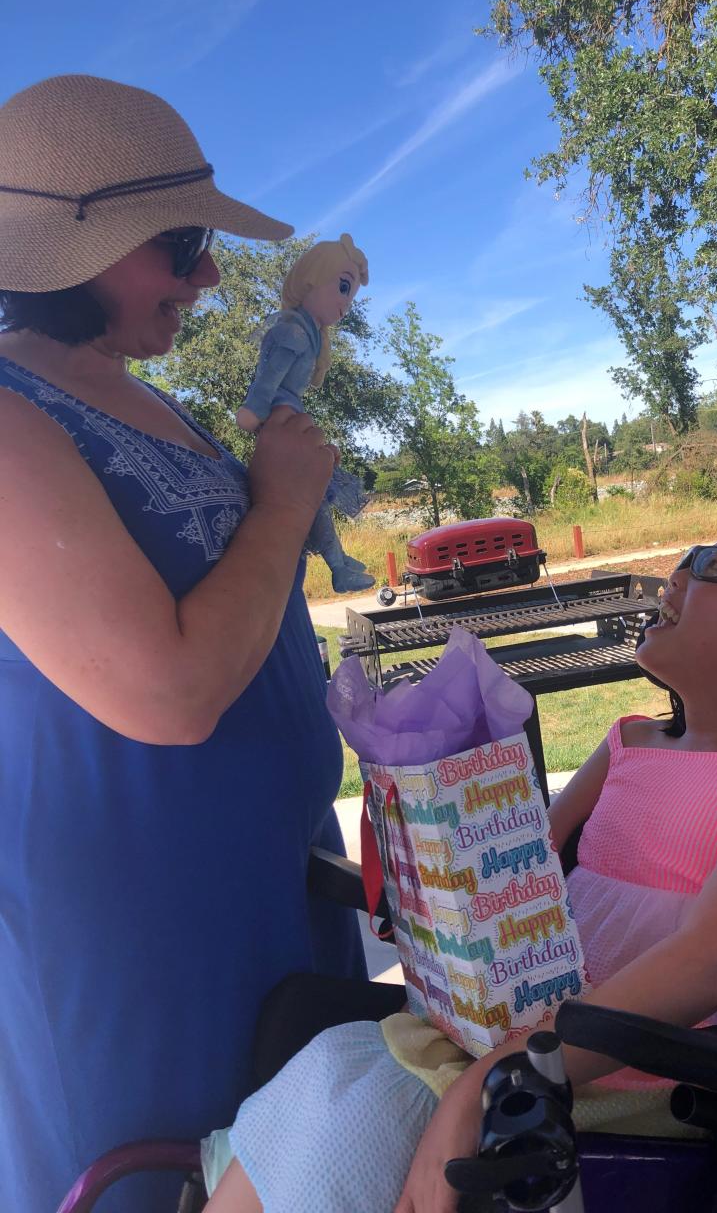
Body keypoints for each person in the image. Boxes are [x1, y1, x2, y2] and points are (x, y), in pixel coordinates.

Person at [203, 525, 717, 1213]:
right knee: (328, 1069)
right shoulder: (630, 740)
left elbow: (710, 961)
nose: (675, 575)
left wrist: (505, 1071)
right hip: (525, 1032)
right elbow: (518, 867)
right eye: (685, 557)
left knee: (361, 1116)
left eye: (713, 567)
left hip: (649, 1066)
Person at [0, 73, 367, 1213]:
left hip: (277, 905)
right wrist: (281, 500)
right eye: (183, 244)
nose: (210, 276)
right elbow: (167, 690)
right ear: (67, 252)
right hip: (140, 952)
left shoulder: (140, 398)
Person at [236, 234, 376, 594]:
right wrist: (253, 411)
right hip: (281, 421)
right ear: (314, 277)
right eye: (343, 287)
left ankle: (339, 563)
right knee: (313, 495)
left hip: (292, 420)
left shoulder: (309, 332)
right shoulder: (293, 332)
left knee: (318, 495)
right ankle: (337, 566)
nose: (346, 304)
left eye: (351, 295)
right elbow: (266, 381)